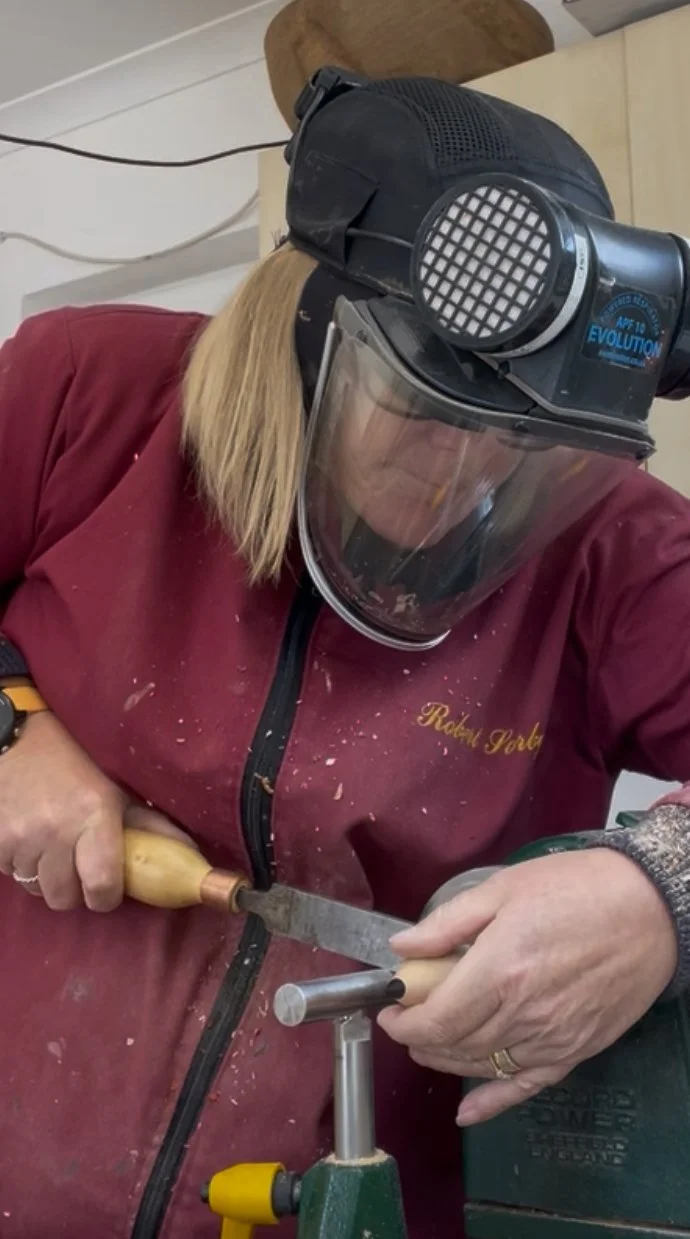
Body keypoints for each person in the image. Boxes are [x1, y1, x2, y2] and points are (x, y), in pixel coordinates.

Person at [0, 70, 689, 1238]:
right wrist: (14, 729)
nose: (470, 474)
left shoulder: (616, 552)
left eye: (525, 441)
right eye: (428, 414)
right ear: (313, 333)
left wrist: (663, 896)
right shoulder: (84, 396)